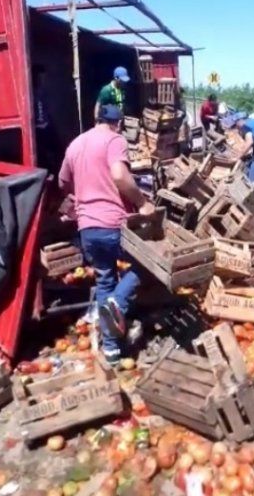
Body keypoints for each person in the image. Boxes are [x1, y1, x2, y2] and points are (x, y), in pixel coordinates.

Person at [58, 105, 154, 367]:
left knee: (104, 280)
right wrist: (142, 202)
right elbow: (120, 175)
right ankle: (118, 301)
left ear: (96, 119)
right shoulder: (115, 140)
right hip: (113, 224)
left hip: (88, 228)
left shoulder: (76, 144)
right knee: (149, 265)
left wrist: (78, 196)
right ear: (118, 124)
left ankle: (111, 350)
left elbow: (62, 182)